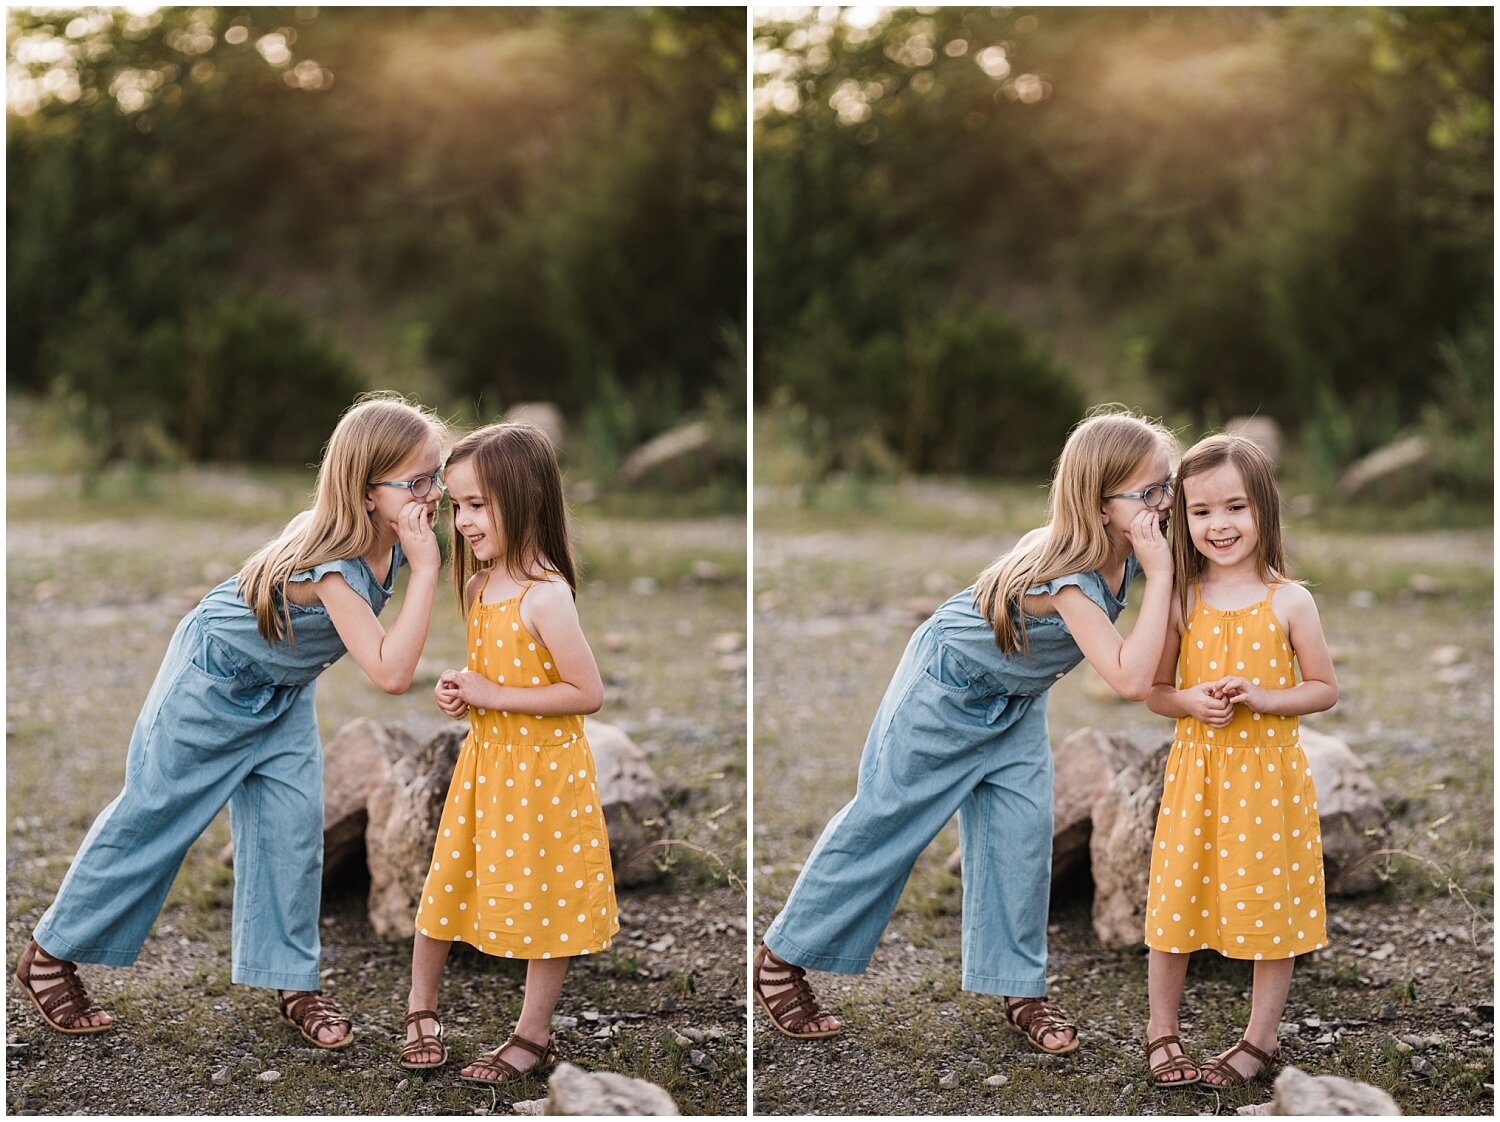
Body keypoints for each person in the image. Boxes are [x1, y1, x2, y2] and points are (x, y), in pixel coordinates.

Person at [13, 392, 448, 1048]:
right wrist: (429, 571)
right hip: (211, 685)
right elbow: (388, 674)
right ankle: (49, 955)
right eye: (417, 482)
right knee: (155, 817)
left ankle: (293, 980)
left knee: (293, 832)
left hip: (285, 692)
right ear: (364, 493)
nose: (433, 494)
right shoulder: (333, 561)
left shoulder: (396, 533)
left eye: (436, 476)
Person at [754, 408, 1178, 1054]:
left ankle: (1020, 987)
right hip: (944, 695)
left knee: (1022, 838)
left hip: (1018, 705)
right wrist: (1165, 572)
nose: (1164, 503)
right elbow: (1126, 679)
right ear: (1099, 506)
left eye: (1167, 485)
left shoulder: (1135, 548)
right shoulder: (1071, 572)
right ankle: (781, 959)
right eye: (1149, 493)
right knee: (887, 822)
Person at [399, 421, 616, 1084]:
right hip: (486, 767)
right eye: (456, 505)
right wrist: (463, 694)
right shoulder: (477, 588)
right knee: (448, 885)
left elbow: (586, 692)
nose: (462, 521)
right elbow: (494, 681)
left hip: (546, 777)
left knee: (547, 900)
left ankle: (532, 1034)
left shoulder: (545, 595)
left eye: (476, 504)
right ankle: (420, 1009)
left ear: (523, 501)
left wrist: (496, 690)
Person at [1140, 432, 1337, 1089]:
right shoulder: (1180, 599)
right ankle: (1160, 1029)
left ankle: (1261, 1036)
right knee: (1174, 901)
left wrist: (1264, 696)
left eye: (1235, 508)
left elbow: (1324, 689)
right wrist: (1192, 700)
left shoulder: (1291, 600)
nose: (1219, 525)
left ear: (1264, 511)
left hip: (1267, 780)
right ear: (1183, 519)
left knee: (1268, 906)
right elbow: (1157, 693)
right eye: (1201, 512)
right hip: (1197, 775)